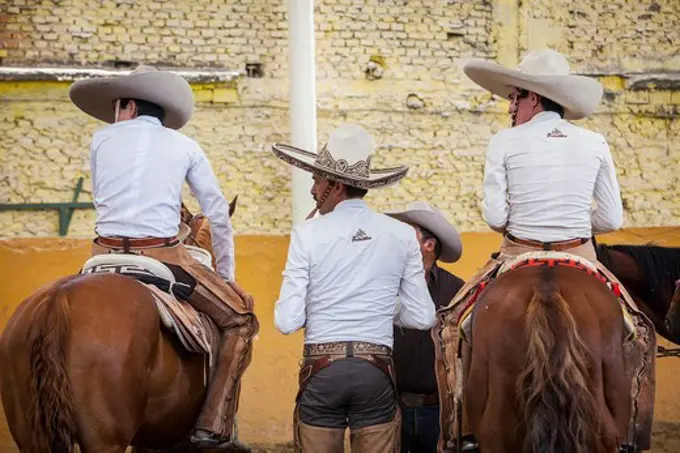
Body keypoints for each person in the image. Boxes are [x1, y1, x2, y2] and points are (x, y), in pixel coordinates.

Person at [432, 49, 656, 451]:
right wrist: (572, 226)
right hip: (582, 257)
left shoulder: (505, 141)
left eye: (514, 97)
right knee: (640, 333)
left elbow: (495, 216)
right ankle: (632, 439)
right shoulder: (594, 141)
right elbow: (612, 218)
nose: (510, 107)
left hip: (518, 254)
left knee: (449, 326)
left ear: (533, 98)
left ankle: (457, 435)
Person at [68, 65, 259, 450]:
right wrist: (226, 273)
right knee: (241, 318)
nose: (114, 115)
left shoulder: (100, 140)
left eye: (117, 107)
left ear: (130, 107)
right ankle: (213, 425)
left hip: (100, 255)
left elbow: (103, 198)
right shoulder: (184, 145)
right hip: (163, 255)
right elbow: (218, 213)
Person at [272, 124, 436, 452]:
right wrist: (381, 306)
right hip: (375, 372)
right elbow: (423, 317)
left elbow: (286, 321)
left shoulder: (306, 234)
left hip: (322, 373)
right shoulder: (402, 234)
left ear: (335, 186)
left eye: (317, 180)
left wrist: (321, 304)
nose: (312, 190)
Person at [386, 201, 465, 453]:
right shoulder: (382, 283)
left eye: (406, 235)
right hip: (390, 407)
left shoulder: (457, 291)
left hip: (439, 411)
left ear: (428, 245)